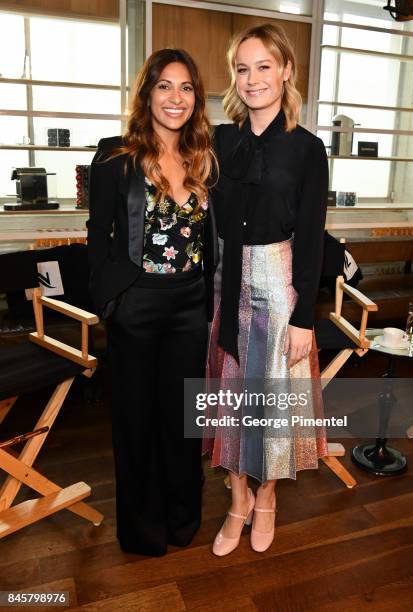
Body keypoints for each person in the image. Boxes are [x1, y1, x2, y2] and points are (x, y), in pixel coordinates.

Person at [203, 23, 329, 556]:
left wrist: (305, 317)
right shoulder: (219, 139)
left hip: (280, 285)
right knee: (232, 395)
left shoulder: (307, 148)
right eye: (242, 68)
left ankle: (269, 495)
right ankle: (237, 500)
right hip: (224, 281)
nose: (252, 79)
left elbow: (312, 235)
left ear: (284, 72)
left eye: (263, 67)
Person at [87, 48, 218, 557]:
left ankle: (183, 521)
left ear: (196, 99)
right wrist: (110, 300)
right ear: (147, 93)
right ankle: (143, 532)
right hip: (136, 304)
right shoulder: (116, 156)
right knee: (136, 422)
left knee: (182, 421)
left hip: (189, 305)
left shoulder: (205, 156)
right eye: (165, 85)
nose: (175, 97)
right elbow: (97, 236)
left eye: (185, 88)